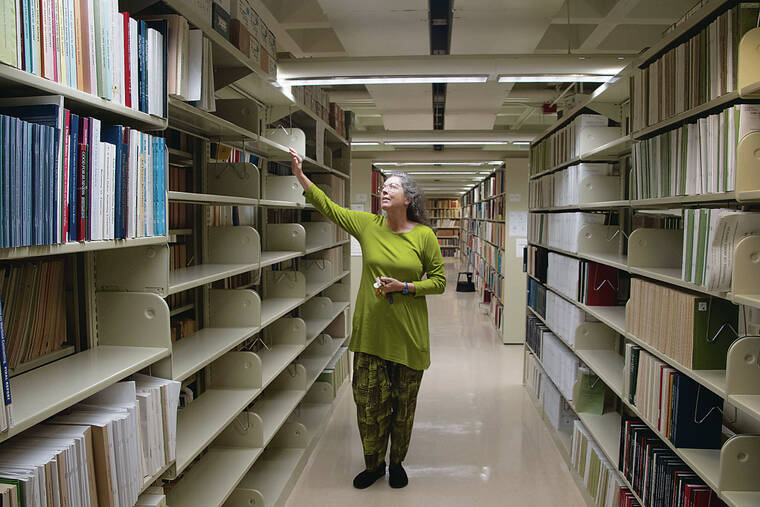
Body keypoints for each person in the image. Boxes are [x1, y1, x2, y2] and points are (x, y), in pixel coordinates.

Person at [289, 149, 446, 489]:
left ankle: (397, 463)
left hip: (408, 338)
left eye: (392, 186)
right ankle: (373, 464)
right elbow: (330, 209)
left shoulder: (424, 236)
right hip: (372, 334)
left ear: (409, 198)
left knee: (402, 410)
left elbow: (439, 282)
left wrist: (405, 287)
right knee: (368, 407)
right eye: (383, 187)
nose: (384, 190)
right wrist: (302, 178)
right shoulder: (367, 225)